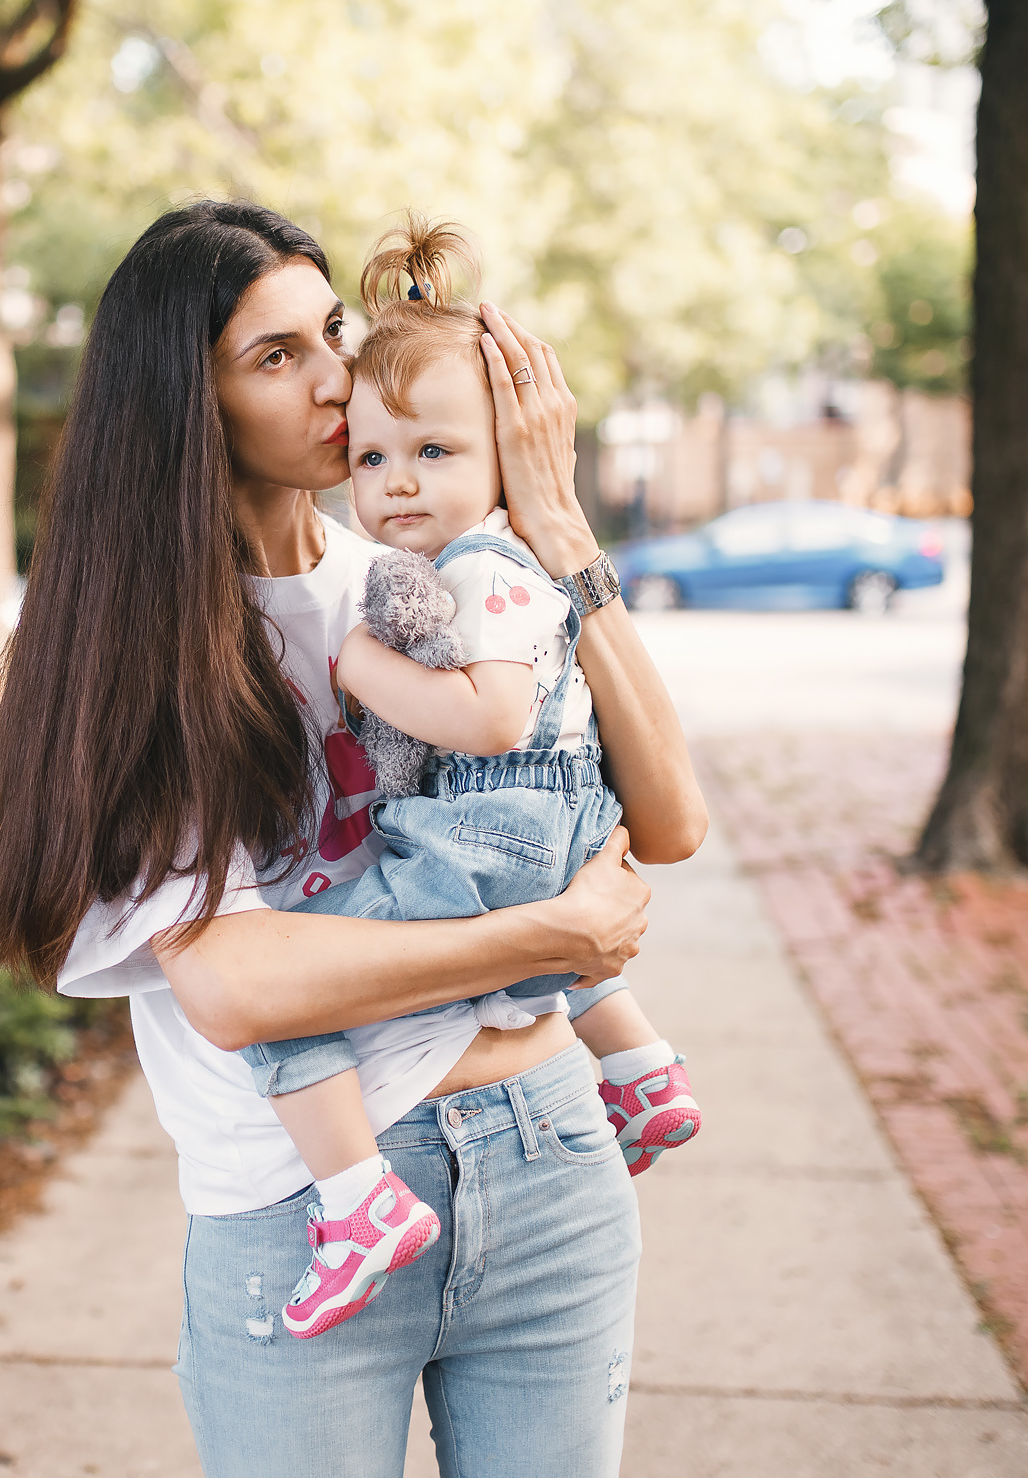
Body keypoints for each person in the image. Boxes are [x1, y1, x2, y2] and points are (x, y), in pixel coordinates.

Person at [0, 201, 706, 1478]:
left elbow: (673, 815)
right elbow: (238, 985)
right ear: (184, 404)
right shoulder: (134, 651)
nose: (338, 377)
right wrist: (549, 937)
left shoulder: (418, 575)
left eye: (334, 334)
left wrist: (562, 526)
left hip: (546, 1163)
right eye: (276, 355)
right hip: (311, 1200)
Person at [244, 217, 701, 1342]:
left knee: (288, 993)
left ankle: (354, 1202)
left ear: (506, 452)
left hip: (502, 944)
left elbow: (542, 747)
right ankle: (642, 1069)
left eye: (435, 453)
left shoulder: (479, 571)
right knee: (549, 929)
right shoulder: (406, 573)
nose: (393, 482)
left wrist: (554, 522)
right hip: (513, 881)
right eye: (372, 458)